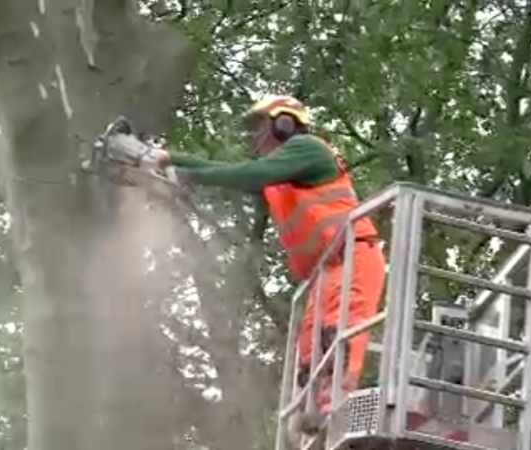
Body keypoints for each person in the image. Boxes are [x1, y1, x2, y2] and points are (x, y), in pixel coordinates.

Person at [150, 94, 386, 430]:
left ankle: (333, 417)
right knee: (309, 350)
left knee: (337, 336)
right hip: (327, 268)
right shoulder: (281, 176)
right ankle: (306, 426)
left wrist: (178, 165)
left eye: (260, 126)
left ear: (284, 123)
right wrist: (171, 162)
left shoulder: (308, 149)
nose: (254, 137)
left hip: (353, 255)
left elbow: (248, 173)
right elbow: (231, 172)